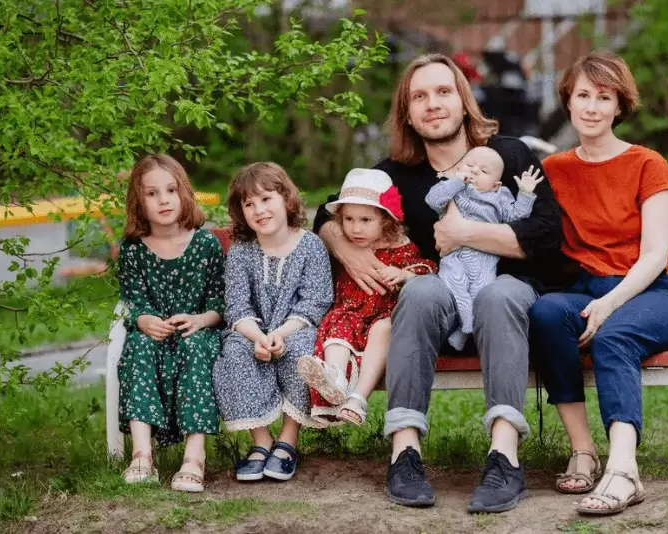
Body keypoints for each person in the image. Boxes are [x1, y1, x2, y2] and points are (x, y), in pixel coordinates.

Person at [313, 53, 563, 513]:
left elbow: (548, 233)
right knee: (420, 291)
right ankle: (404, 452)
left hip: (507, 290)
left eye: (443, 91)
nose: (433, 104)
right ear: (407, 113)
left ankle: (504, 456)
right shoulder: (394, 174)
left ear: (464, 100)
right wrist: (345, 246)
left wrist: (469, 234)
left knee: (498, 294)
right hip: (440, 294)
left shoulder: (508, 154)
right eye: (420, 96)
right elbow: (327, 212)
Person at [530, 51, 668, 516]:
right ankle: (583, 450)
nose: (591, 107)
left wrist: (609, 304)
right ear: (568, 101)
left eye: (604, 98)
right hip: (589, 288)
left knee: (615, 335)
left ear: (619, 107)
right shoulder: (556, 171)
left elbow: (655, 256)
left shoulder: (648, 164)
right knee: (544, 313)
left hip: (657, 293)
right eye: (583, 95)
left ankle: (624, 470)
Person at [212, 162, 333, 483]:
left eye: (266, 199)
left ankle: (288, 440)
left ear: (286, 200)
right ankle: (261, 440)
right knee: (235, 352)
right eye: (249, 204)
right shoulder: (241, 252)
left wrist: (279, 334)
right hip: (251, 329)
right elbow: (236, 305)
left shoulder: (310, 246)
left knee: (302, 351)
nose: (258, 210)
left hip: (296, 327)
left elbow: (316, 301)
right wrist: (257, 337)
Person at [117, 154, 224, 493]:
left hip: (198, 331)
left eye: (170, 190)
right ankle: (141, 455)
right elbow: (134, 299)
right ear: (139, 202)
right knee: (138, 345)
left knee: (195, 348)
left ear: (184, 194)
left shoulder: (205, 243)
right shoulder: (133, 249)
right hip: (155, 333)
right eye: (152, 193)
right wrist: (144, 318)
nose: (163, 200)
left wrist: (199, 319)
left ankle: (194, 457)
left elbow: (219, 303)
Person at [297, 168, 436, 427]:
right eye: (348, 219)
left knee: (383, 328)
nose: (355, 228)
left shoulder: (400, 248)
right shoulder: (345, 249)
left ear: (386, 220)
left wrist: (403, 275)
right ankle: (335, 380)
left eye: (365, 220)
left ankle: (358, 399)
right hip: (350, 314)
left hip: (383, 318)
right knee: (337, 324)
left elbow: (426, 272)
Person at [425, 145, 544, 349]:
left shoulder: (499, 196)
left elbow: (515, 218)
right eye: (469, 165)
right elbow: (432, 199)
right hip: (454, 257)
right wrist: (455, 181)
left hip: (484, 257)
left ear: (495, 184)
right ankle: (466, 325)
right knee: (455, 286)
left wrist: (524, 194)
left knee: (481, 291)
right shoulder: (453, 191)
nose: (474, 171)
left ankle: (468, 330)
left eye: (484, 171)